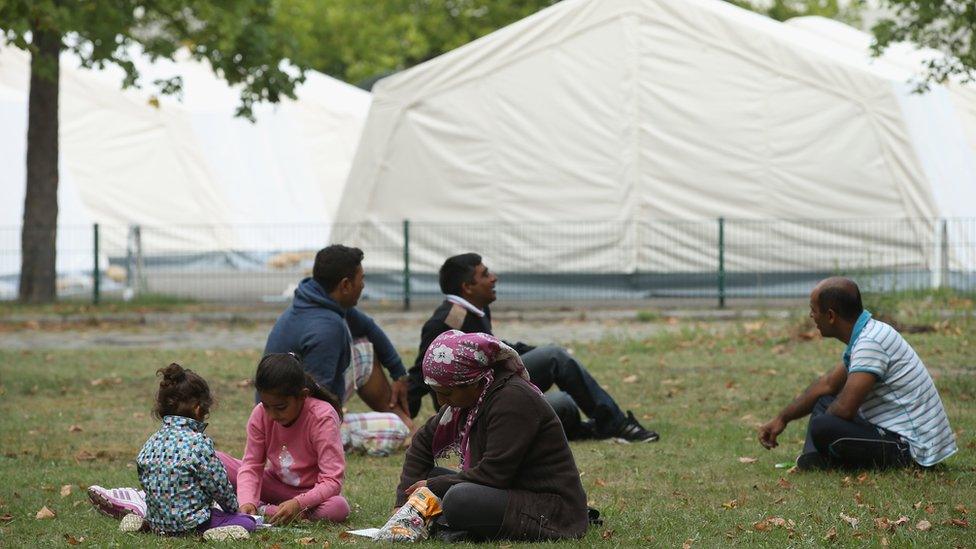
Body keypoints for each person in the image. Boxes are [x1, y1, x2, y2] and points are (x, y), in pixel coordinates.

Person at [405, 253, 658, 442]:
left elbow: (496, 347)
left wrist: (530, 349)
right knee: (554, 357)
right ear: (467, 287)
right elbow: (424, 371)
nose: (494, 278)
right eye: (485, 274)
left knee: (564, 403)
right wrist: (404, 414)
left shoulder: (474, 310)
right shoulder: (449, 319)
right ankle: (615, 425)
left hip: (494, 393)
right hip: (474, 409)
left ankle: (592, 430)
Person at [396, 330, 589, 541]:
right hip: (510, 489)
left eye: (447, 393)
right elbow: (422, 443)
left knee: (458, 499)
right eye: (437, 392)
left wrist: (434, 486)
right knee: (433, 477)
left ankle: (453, 523)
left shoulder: (512, 400)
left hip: (548, 508)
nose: (442, 402)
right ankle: (451, 523)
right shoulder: (468, 401)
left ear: (473, 381)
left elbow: (493, 475)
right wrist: (403, 504)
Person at [759, 277, 957, 470]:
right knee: (823, 402)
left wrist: (825, 430)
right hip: (896, 436)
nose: (811, 316)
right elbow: (827, 384)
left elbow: (845, 409)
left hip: (912, 449)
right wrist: (782, 418)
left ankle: (822, 456)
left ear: (830, 316)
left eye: (813, 310)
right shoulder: (867, 333)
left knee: (824, 424)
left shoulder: (871, 343)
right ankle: (815, 458)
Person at [265, 244, 413, 445]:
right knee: (397, 430)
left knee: (364, 353)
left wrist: (399, 374)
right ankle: (405, 428)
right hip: (293, 424)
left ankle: (405, 422)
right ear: (345, 285)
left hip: (285, 404)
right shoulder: (327, 328)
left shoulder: (317, 299)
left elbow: (369, 328)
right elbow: (316, 397)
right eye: (361, 280)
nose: (363, 286)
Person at [217, 353, 350, 524]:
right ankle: (260, 507)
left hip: (311, 494)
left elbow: (332, 480)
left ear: (303, 396)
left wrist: (298, 503)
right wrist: (247, 501)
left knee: (338, 507)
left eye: (280, 407)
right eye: (266, 406)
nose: (272, 415)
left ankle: (268, 510)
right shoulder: (260, 414)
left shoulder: (322, 417)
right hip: (274, 484)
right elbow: (252, 465)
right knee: (215, 460)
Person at [134, 363, 255, 539]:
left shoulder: (150, 442)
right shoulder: (199, 443)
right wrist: (233, 510)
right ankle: (210, 533)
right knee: (247, 522)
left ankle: (146, 523)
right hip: (194, 524)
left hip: (159, 524)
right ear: (198, 408)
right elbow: (218, 486)